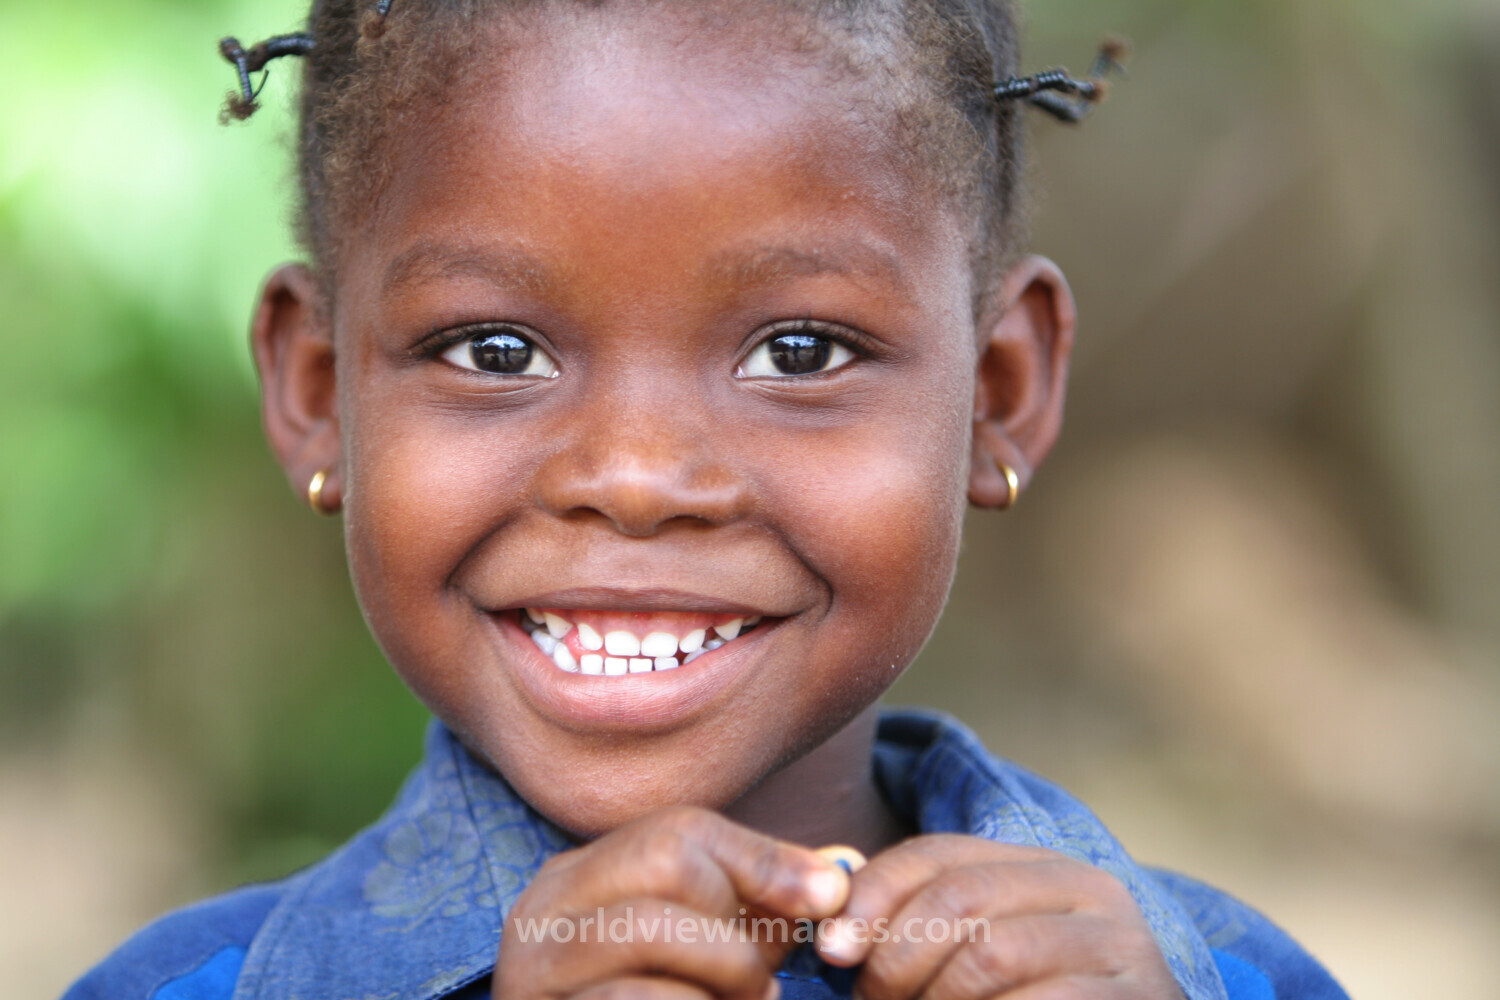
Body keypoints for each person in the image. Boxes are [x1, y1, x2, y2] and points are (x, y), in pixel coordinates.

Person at [65, 1, 1350, 998]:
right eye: (494, 351)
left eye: (800, 351)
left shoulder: (1217, 979)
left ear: (997, 391)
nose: (634, 479)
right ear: (318, 388)